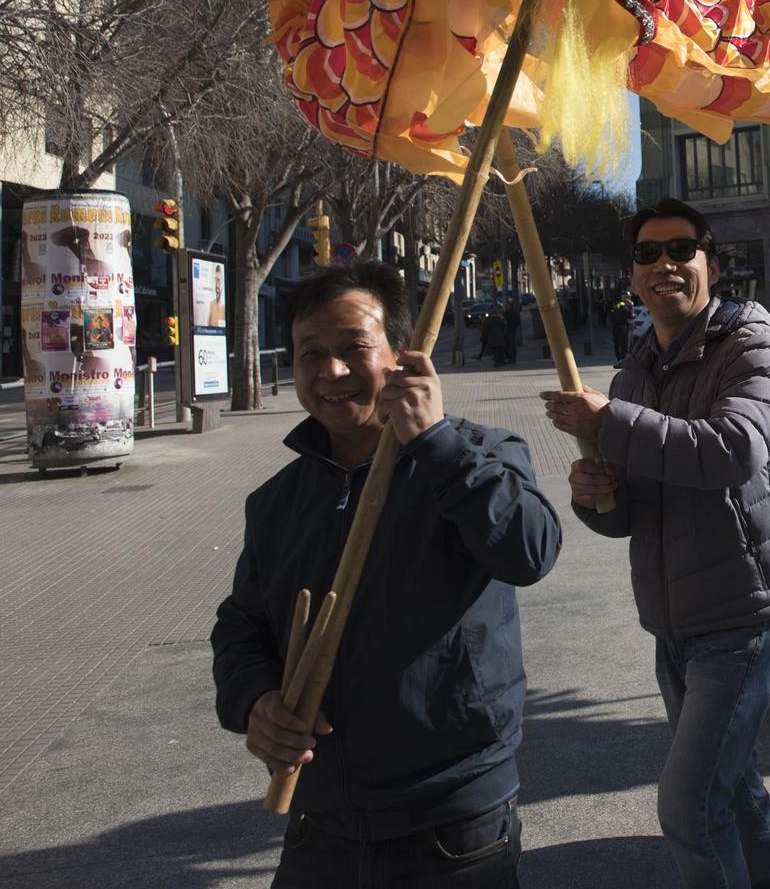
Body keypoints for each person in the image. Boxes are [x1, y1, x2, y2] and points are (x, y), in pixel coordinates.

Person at [211, 262, 562, 888]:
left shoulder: (480, 453)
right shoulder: (276, 502)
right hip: (320, 826)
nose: (332, 373)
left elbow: (529, 552)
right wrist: (256, 701)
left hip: (453, 824)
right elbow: (241, 630)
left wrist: (436, 443)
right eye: (310, 353)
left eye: (353, 349)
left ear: (400, 354)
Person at [550, 199, 770, 889]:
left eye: (681, 249)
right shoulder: (634, 371)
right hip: (674, 623)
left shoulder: (753, 343)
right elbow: (631, 511)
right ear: (631, 276)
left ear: (712, 265)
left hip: (746, 616)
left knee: (690, 807)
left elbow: (733, 450)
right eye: (647, 253)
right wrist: (595, 495)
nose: (664, 263)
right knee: (733, 784)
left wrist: (612, 423)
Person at [609, 287, 637, 361]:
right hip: (624, 327)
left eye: (628, 296)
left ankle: (621, 359)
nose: (628, 298)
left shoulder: (620, 304)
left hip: (623, 327)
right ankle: (623, 359)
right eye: (626, 296)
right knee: (626, 345)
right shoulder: (623, 304)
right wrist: (631, 306)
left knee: (624, 344)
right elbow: (631, 315)